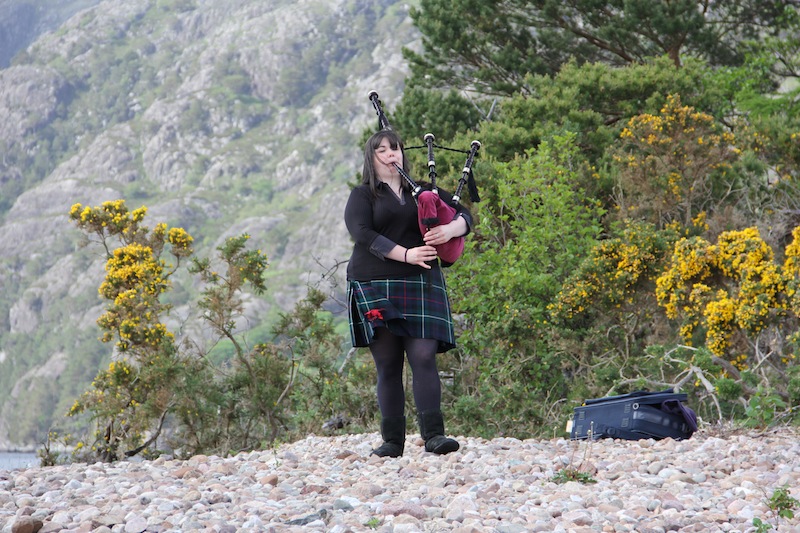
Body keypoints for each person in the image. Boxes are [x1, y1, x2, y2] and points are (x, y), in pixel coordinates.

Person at [344, 129, 472, 457]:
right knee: (388, 363)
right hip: (374, 283)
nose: (391, 154)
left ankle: (433, 436)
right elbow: (361, 233)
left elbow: (465, 216)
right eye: (383, 150)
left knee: (423, 356)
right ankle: (392, 441)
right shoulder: (363, 195)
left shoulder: (424, 192)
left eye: (396, 148)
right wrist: (406, 253)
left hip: (422, 282)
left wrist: (450, 229)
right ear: (372, 158)